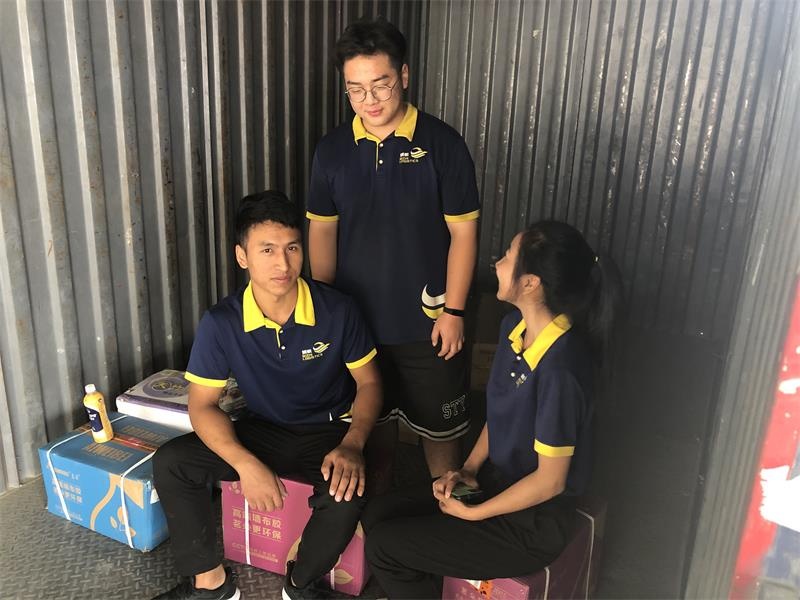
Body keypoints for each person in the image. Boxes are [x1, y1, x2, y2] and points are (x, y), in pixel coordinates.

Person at [361, 221, 618, 599]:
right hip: (496, 483)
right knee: (377, 515)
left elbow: (551, 482)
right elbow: (499, 415)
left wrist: (476, 513)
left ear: (530, 283)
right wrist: (466, 470)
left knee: (385, 547)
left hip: (532, 522)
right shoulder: (513, 327)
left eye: (508, 257)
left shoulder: (561, 369)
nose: (497, 263)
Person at [151, 191, 382, 600]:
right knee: (173, 462)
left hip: (328, 430)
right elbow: (202, 404)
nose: (283, 264)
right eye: (268, 249)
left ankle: (300, 583)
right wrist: (246, 464)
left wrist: (354, 442)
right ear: (242, 256)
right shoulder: (222, 322)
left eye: (292, 248)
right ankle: (211, 584)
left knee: (348, 493)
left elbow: (370, 383)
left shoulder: (337, 310)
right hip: (262, 429)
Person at [307, 17, 480, 478]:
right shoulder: (332, 151)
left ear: (403, 75)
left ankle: (448, 512)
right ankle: (379, 517)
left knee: (442, 437)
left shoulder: (443, 144)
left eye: (381, 85)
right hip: (358, 325)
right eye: (356, 89)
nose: (370, 100)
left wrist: (455, 311)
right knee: (370, 435)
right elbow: (322, 231)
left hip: (431, 324)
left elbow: (464, 233)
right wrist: (326, 309)